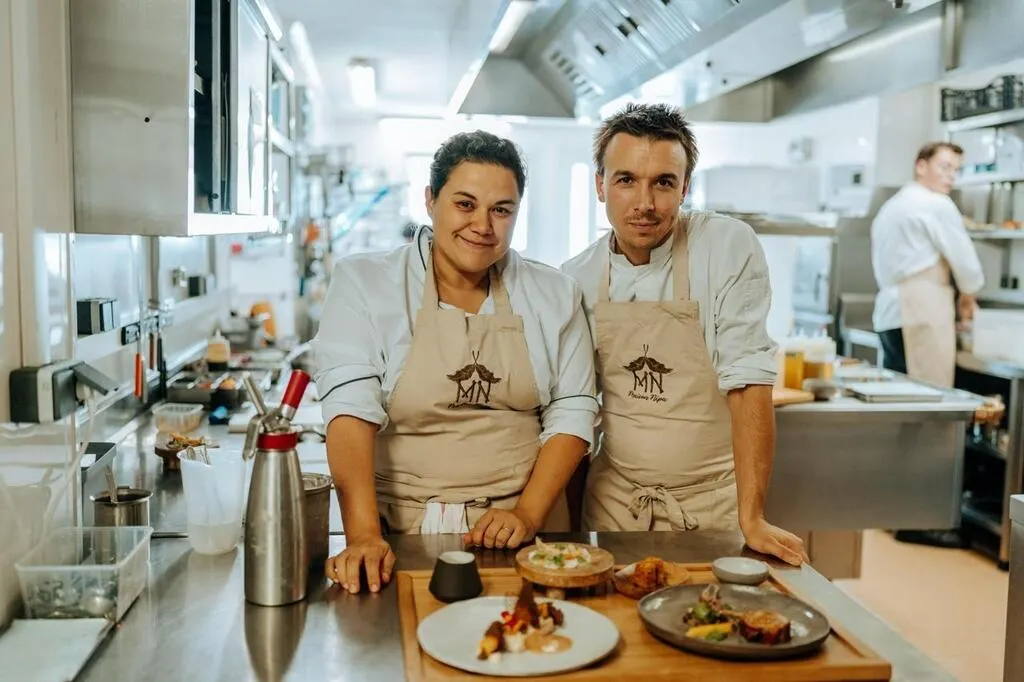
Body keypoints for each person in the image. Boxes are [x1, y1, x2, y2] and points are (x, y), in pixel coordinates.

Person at [312, 131, 597, 594]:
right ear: (430, 200)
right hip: (398, 533)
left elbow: (573, 410)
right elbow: (350, 411)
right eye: (465, 204)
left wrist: (526, 514)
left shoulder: (555, 294)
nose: (482, 225)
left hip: (527, 534)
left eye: (501, 210)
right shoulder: (365, 283)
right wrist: (363, 535)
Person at [561, 103, 807, 567]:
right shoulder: (577, 277)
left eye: (663, 182)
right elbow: (574, 409)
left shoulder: (725, 246)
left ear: (685, 187)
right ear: (600, 185)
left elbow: (748, 379)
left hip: (711, 506)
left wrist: (752, 516)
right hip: (615, 505)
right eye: (626, 180)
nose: (645, 203)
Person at [870, 141, 984, 549]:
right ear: (921, 166)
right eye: (944, 166)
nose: (951, 176)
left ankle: (894, 510)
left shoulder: (893, 206)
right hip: (920, 309)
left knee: (902, 417)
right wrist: (970, 292)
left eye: (956, 169)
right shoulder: (935, 205)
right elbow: (966, 263)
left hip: (891, 312)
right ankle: (920, 519)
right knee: (930, 417)